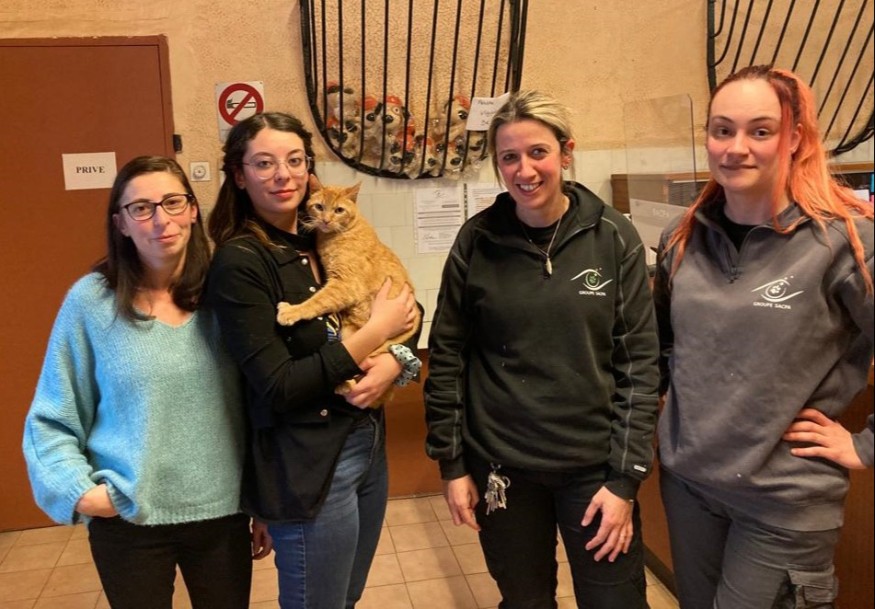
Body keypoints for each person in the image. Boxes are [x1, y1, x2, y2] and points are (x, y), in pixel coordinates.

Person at [424, 89, 660, 608]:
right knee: (524, 601)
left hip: (594, 471)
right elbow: (447, 358)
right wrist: (453, 463)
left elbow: (640, 364)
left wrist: (625, 480)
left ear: (566, 152)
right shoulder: (477, 241)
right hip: (503, 468)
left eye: (538, 152)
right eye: (509, 157)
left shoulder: (612, 236)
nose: (524, 170)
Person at [653, 64, 874, 609]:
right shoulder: (682, 238)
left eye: (760, 130)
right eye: (722, 130)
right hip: (690, 488)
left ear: (794, 137)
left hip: (782, 501)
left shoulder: (845, 241)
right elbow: (664, 350)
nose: (736, 148)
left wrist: (865, 446)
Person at [22, 156, 268, 609]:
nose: (161, 219)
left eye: (173, 202)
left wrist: (265, 502)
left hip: (222, 516)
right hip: (129, 520)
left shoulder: (229, 292)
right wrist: (81, 492)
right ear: (120, 223)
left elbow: (262, 404)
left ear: (193, 210)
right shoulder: (91, 302)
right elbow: (51, 418)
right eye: (141, 208)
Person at [205, 111, 420, 609]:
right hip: (308, 462)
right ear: (239, 175)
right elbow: (279, 386)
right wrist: (375, 336)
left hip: (366, 441)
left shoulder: (321, 236)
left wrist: (396, 358)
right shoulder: (241, 261)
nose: (283, 174)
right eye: (264, 163)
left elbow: (403, 302)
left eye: (295, 160)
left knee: (345, 598)